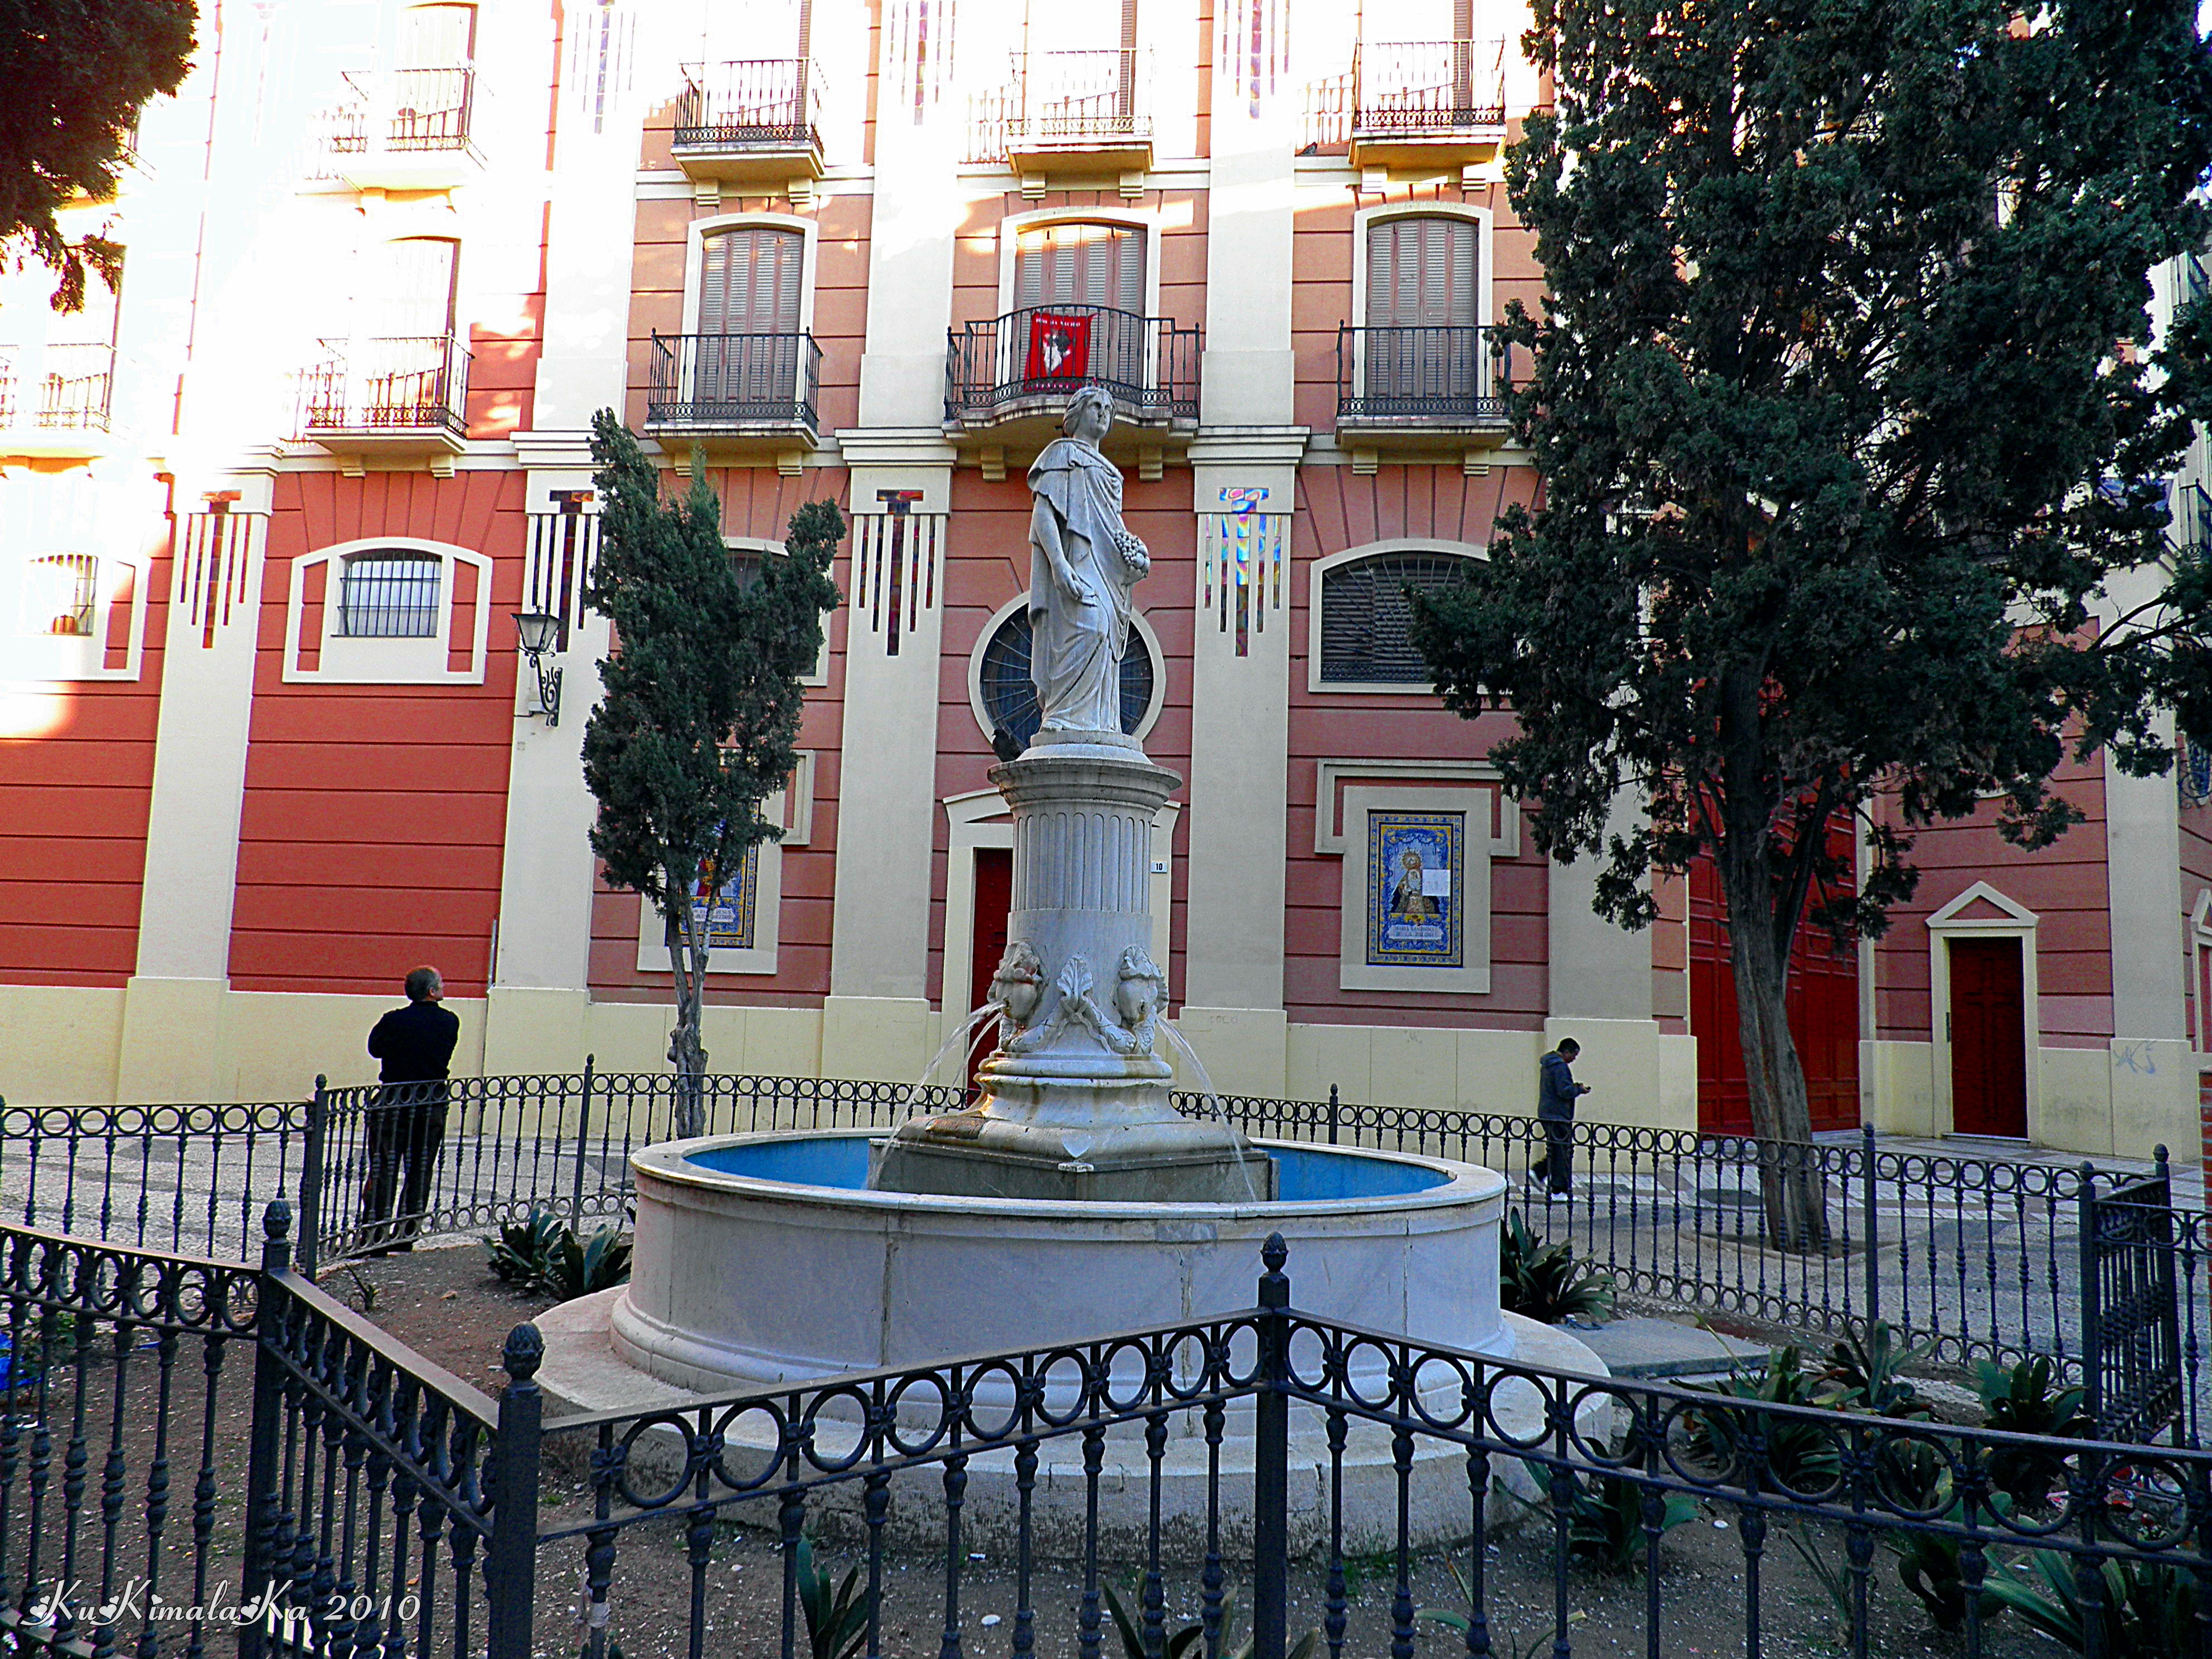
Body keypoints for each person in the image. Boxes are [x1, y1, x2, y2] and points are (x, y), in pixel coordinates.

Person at [1026, 385, 1149, 736]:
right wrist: (1059, 565)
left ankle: (1100, 723)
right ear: (1077, 414)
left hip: (1106, 574)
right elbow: (1044, 514)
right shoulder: (1062, 453)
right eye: (1095, 405)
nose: (1103, 412)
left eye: (1108, 408)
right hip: (1075, 566)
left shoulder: (1112, 475)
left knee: (1107, 636)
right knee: (1091, 626)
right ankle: (1063, 716)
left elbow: (1112, 534)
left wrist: (1135, 562)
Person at [359, 965, 460, 1254]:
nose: (444, 986)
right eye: (440, 983)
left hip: (394, 1099)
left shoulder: (393, 1021)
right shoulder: (449, 1022)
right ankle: (406, 1233)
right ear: (432, 992)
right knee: (420, 1167)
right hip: (431, 1101)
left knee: (384, 1165)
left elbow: (375, 1049)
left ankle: (376, 1235)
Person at [1529, 1037, 1590, 1196]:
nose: (1574, 1059)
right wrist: (1579, 1089)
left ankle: (1539, 1172)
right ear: (1567, 1052)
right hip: (1558, 1116)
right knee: (1562, 1153)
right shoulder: (1560, 1067)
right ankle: (1558, 1189)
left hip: (1548, 1113)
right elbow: (1565, 1091)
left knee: (1557, 1150)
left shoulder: (1548, 1065)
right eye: (1574, 1055)